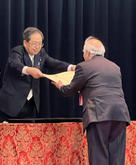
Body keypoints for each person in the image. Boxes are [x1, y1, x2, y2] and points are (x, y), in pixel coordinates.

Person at [52, 36, 130, 165]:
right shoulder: (115, 67)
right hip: (120, 114)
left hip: (99, 114)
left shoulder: (84, 67)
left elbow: (70, 90)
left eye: (83, 52)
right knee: (116, 155)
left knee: (99, 155)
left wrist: (60, 85)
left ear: (87, 52)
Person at [0, 27, 75, 122]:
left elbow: (53, 63)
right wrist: (28, 70)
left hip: (30, 104)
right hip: (10, 104)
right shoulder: (17, 51)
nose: (37, 47)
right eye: (34, 43)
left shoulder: (41, 53)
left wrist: (71, 67)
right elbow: (15, 63)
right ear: (25, 43)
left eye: (40, 44)